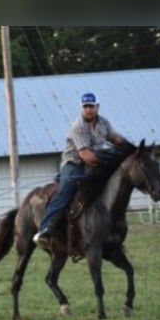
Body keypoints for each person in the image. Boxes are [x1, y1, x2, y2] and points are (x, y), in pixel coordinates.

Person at [33, 92, 131, 249]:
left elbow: (114, 137)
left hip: (95, 161)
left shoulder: (104, 123)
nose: (88, 109)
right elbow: (86, 156)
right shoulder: (78, 127)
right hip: (75, 163)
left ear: (97, 107)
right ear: (81, 108)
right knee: (65, 191)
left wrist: (129, 147)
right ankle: (45, 229)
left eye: (91, 106)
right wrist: (109, 160)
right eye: (85, 106)